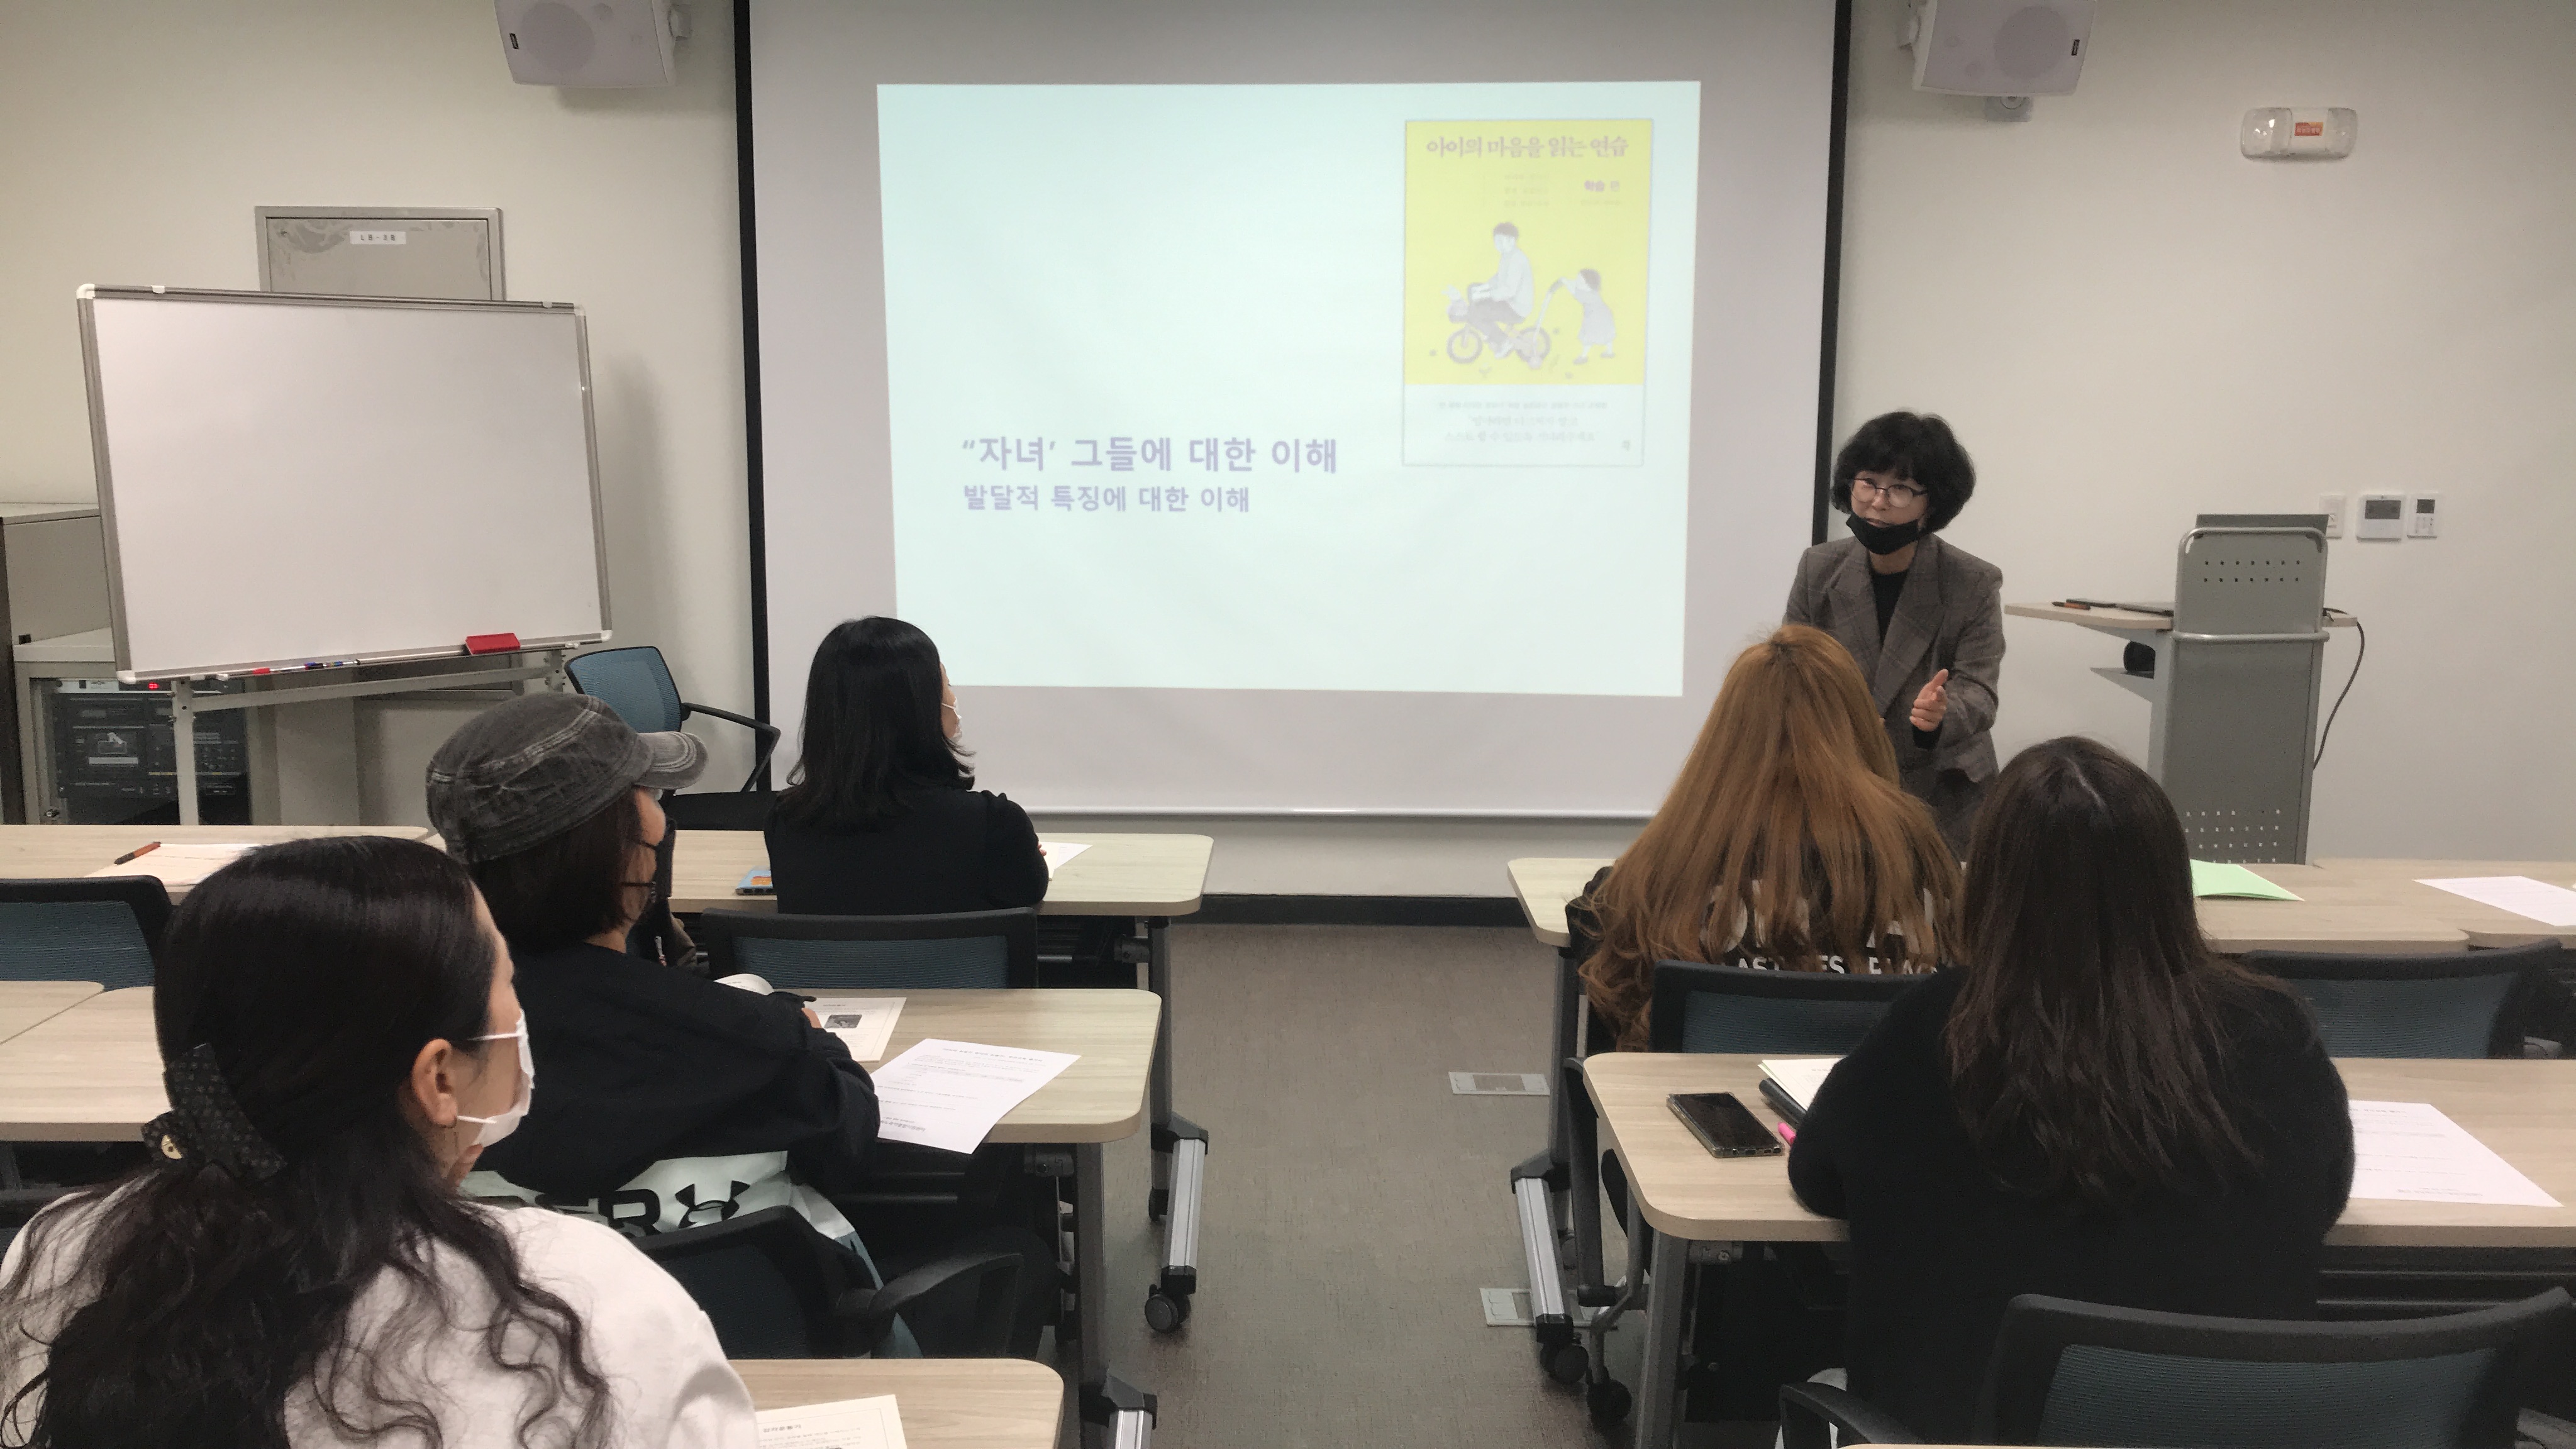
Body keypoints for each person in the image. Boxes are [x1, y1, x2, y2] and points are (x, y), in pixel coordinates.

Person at [0, 836, 755, 1448]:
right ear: (438, 1078)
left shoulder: (63, 1253)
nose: (520, 1016)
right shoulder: (586, 1299)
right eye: (508, 985)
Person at [431, 691, 1051, 1356]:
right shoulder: (750, 1042)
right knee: (1024, 1248)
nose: (662, 815)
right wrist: (808, 1036)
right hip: (768, 1377)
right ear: (621, 850)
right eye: (647, 793)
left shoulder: (417, 1066)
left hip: (522, 1372)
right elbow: (849, 1138)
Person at [1787, 737, 2355, 1442]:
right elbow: (2325, 1195)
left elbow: (1817, 1179)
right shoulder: (2272, 1033)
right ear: (2168, 881)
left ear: (1991, 885)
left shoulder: (1932, 1029)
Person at [1570, 625, 1958, 1053]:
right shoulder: (1918, 852)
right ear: (1861, 727)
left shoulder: (1671, 867)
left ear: (1726, 735)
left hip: (1704, 1094)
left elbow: (1614, 988)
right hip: (1877, 1093)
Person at [1784, 411, 2003, 857]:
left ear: (1932, 504)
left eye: (1900, 489)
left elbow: (1980, 690)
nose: (1879, 503)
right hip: (1840, 783)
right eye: (1868, 483)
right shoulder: (1818, 568)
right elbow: (1790, 669)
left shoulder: (1972, 582)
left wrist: (1942, 713)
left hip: (1941, 791)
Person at [767, 617, 1048, 917]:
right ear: (921, 707)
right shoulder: (995, 824)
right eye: (947, 685)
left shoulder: (786, 822)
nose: (953, 698)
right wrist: (1018, 850)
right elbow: (1026, 891)